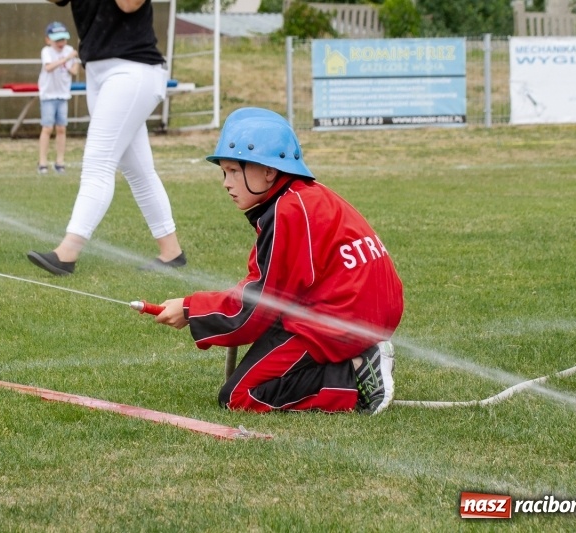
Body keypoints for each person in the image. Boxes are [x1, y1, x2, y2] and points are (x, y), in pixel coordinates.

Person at [155, 108, 404, 415]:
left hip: (343, 317)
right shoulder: (303, 197)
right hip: (362, 309)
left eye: (234, 171)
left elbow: (258, 305)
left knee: (241, 396)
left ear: (269, 172)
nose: (226, 183)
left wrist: (191, 309)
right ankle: (359, 356)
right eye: (224, 172)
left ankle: (354, 374)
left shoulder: (287, 212)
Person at [27, 0, 185, 275]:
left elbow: (128, 5)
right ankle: (171, 252)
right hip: (98, 72)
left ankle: (67, 252)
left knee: (98, 163)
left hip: (132, 69)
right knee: (139, 171)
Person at [37, 21, 79, 175]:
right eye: (57, 40)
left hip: (63, 95)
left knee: (61, 129)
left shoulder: (69, 51)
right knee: (47, 128)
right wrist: (67, 58)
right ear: (48, 40)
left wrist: (72, 61)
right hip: (48, 95)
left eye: (63, 39)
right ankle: (42, 162)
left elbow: (74, 70)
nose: (61, 43)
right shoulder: (47, 51)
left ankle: (59, 161)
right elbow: (48, 67)